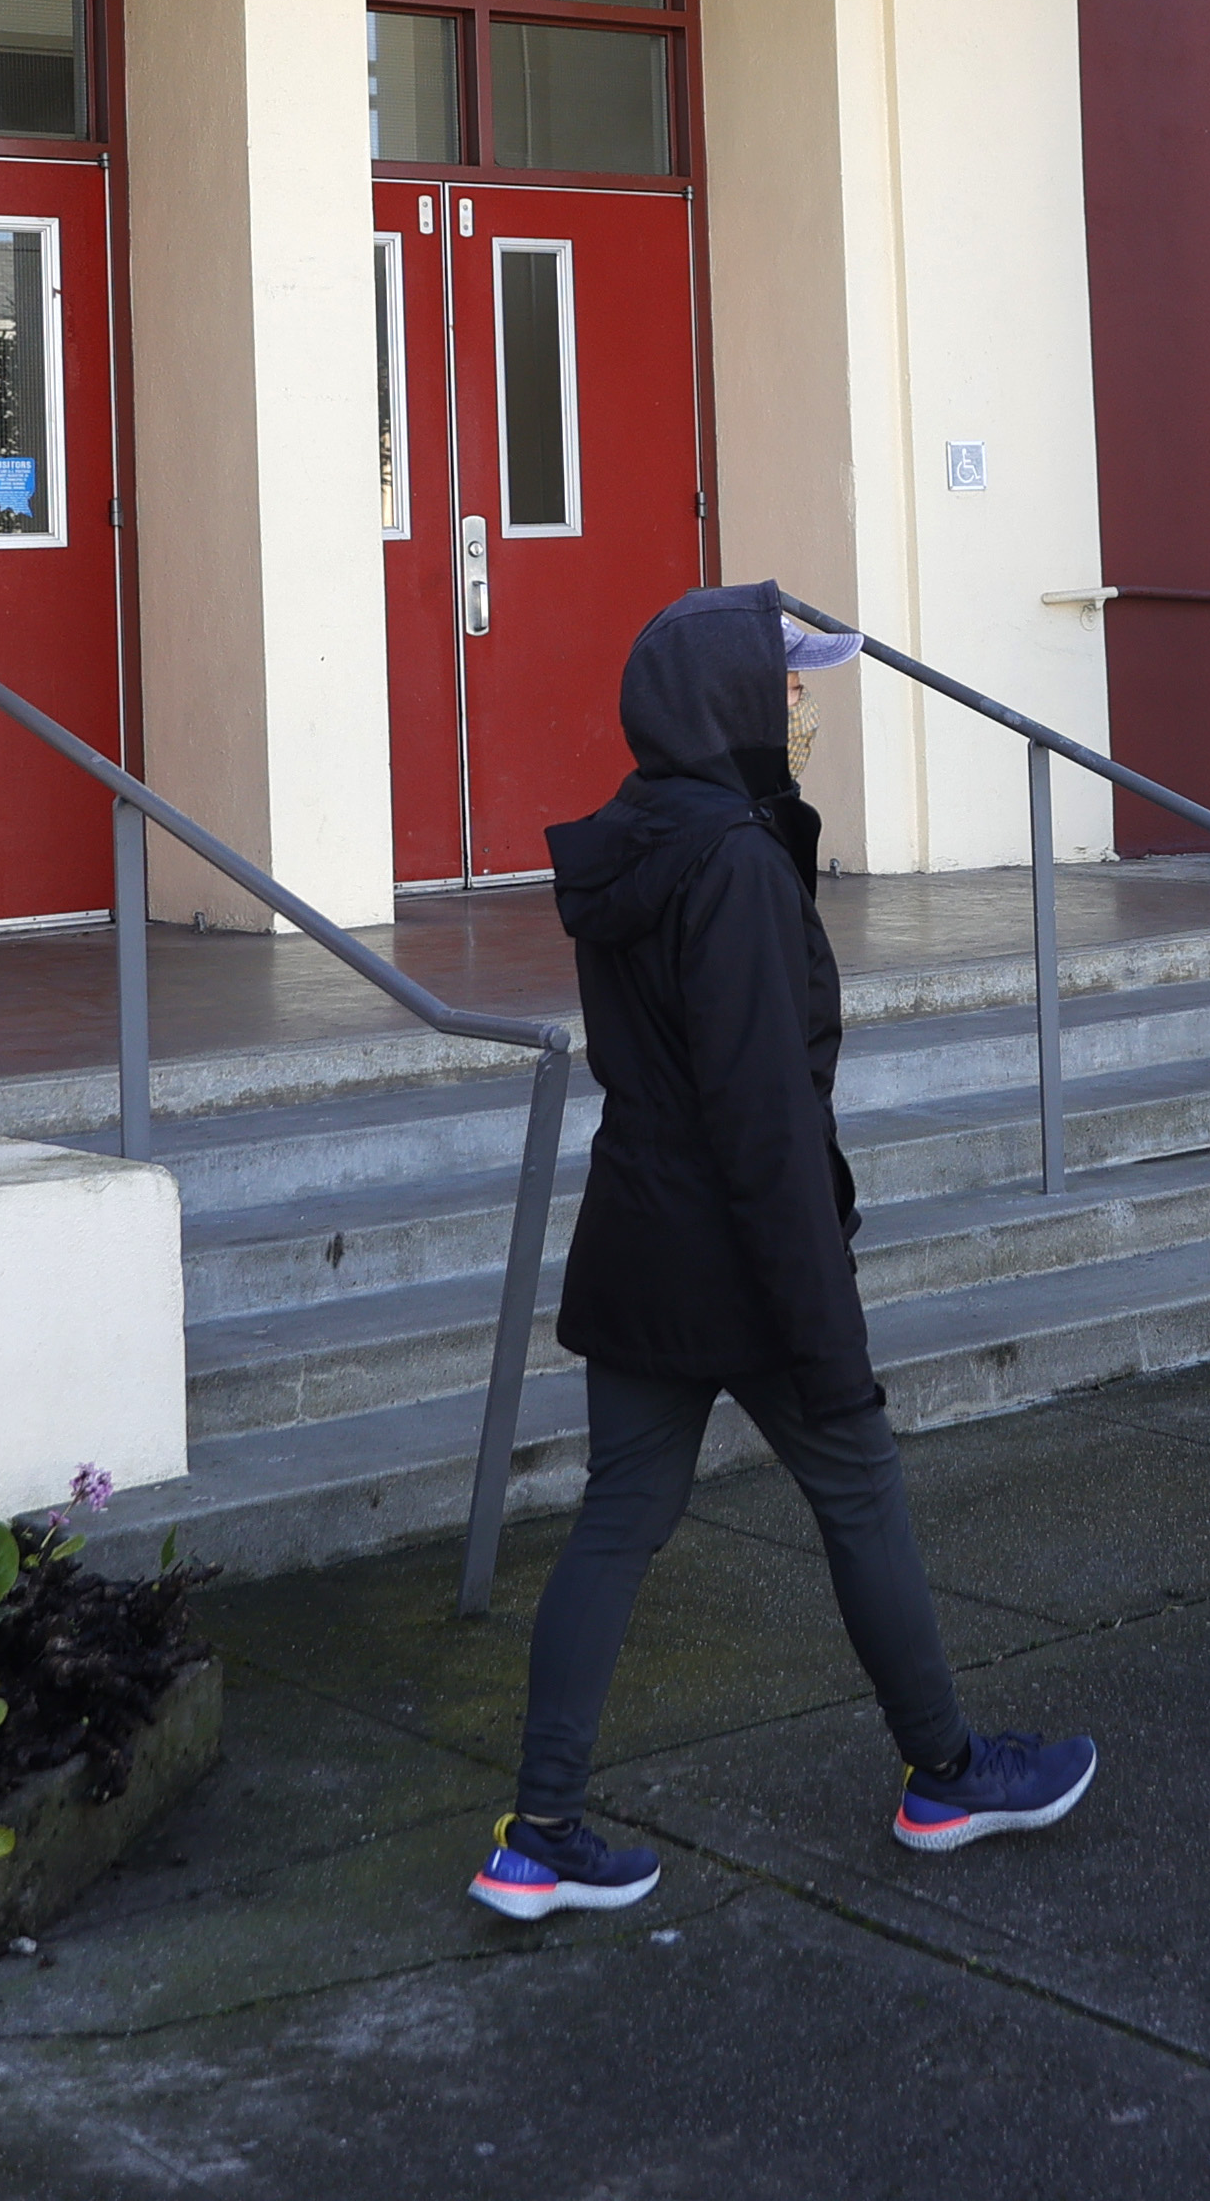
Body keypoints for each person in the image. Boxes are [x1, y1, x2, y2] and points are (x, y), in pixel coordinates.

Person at [471, 582, 1099, 1922]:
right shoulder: (737, 864)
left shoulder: (649, 841)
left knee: (619, 1518)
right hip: (736, 1257)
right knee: (858, 1482)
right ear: (732, 706)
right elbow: (759, 1119)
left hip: (637, 1240)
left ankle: (538, 1834)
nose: (806, 706)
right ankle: (945, 1775)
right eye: (789, 684)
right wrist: (825, 1328)